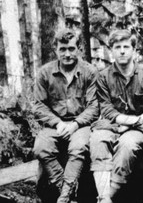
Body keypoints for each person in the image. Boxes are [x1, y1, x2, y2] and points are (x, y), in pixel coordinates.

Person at [89, 29, 143, 203]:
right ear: (111, 50)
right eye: (117, 47)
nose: (122, 51)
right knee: (97, 141)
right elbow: (106, 109)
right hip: (113, 126)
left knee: (126, 145)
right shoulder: (104, 76)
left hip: (140, 130)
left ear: (134, 50)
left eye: (126, 47)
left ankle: (107, 198)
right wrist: (123, 122)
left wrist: (130, 123)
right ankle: (103, 196)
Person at [32, 29, 99, 203]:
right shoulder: (44, 73)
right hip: (54, 125)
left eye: (71, 48)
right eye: (62, 49)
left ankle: (63, 199)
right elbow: (38, 105)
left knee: (78, 148)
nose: (67, 54)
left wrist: (75, 124)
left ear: (79, 48)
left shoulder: (90, 72)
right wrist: (57, 123)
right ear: (55, 49)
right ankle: (66, 192)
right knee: (41, 147)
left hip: (81, 125)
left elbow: (94, 106)